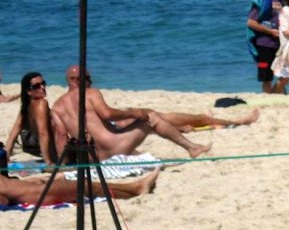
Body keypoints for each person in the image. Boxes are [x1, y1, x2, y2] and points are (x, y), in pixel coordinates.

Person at [51, 66, 211, 161]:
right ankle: (192, 148)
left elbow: (61, 136)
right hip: (114, 146)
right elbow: (107, 114)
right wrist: (132, 113)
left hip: (96, 156)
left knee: (125, 126)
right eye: (88, 78)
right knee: (151, 117)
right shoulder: (90, 93)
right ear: (81, 79)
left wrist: (61, 166)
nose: (90, 81)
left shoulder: (57, 107)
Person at [0, 169, 159, 207]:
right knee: (84, 186)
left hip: (36, 188)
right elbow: (4, 201)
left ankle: (135, 188)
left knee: (86, 185)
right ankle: (135, 189)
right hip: (37, 194)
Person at [5, 72, 57, 166]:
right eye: (37, 86)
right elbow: (43, 133)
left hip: (41, 149)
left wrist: (6, 155)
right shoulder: (41, 104)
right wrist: (48, 161)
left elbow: (15, 131)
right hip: (56, 152)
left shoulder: (27, 106)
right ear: (29, 91)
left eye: (43, 83)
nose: (42, 87)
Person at [247, 0, 284, 93]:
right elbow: (251, 22)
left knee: (283, 73)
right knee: (266, 76)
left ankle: (276, 94)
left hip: (279, 43)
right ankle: (268, 96)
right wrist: (270, 32)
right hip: (264, 44)